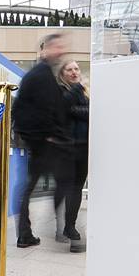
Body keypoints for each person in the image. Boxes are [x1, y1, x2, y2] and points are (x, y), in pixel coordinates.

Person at [12, 33, 75, 249]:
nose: (60, 50)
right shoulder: (39, 75)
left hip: (45, 143)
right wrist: (43, 136)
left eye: (62, 47)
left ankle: (35, 232)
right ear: (45, 49)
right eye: (56, 47)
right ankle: (33, 232)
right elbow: (22, 111)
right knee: (31, 187)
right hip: (41, 144)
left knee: (51, 184)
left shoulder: (46, 75)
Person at [53, 57, 89, 244]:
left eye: (77, 69)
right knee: (69, 188)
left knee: (76, 188)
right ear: (62, 74)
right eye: (70, 70)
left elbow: (90, 113)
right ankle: (66, 226)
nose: (75, 72)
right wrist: (78, 89)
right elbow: (64, 107)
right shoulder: (61, 90)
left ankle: (68, 225)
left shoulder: (83, 95)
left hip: (84, 147)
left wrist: (77, 110)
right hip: (67, 148)